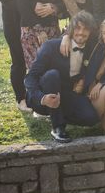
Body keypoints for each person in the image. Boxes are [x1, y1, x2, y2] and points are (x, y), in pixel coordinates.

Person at [24, 11, 100, 142]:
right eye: (77, 28)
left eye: (85, 29)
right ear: (70, 29)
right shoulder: (51, 46)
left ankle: (58, 112)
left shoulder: (92, 48)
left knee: (91, 118)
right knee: (52, 75)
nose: (81, 32)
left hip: (67, 94)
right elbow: (31, 77)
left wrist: (83, 79)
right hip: (46, 91)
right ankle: (58, 127)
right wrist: (42, 98)